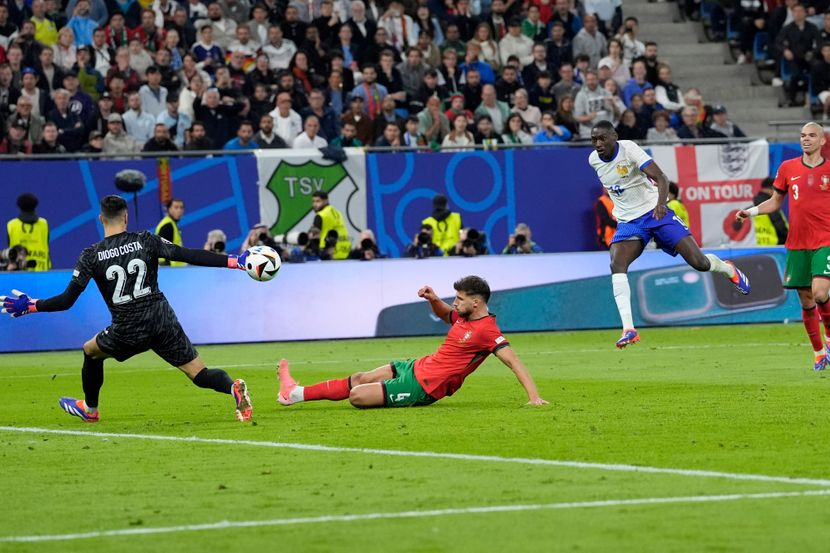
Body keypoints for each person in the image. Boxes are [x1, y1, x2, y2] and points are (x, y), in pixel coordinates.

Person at [1, 194, 254, 422]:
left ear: (101, 218)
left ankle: (90, 409)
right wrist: (236, 261)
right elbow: (189, 255)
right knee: (199, 374)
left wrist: (32, 305)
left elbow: (66, 300)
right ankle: (233, 387)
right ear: (126, 217)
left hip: (128, 326)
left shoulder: (91, 255)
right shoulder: (146, 240)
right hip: (162, 318)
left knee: (90, 351)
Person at [589, 120, 750, 348]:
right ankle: (629, 329)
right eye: (594, 139)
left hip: (656, 213)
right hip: (629, 222)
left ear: (614, 136)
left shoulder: (629, 149)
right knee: (617, 264)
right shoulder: (593, 160)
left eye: (602, 138)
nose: (598, 144)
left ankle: (727, 268)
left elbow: (661, 177)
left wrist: (661, 204)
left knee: (700, 263)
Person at [276, 276, 548, 408]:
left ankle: (297, 394)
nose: (455, 302)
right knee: (361, 377)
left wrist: (534, 397)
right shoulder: (464, 317)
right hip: (417, 367)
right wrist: (433, 299)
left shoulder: (487, 331)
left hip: (423, 387)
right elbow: (445, 315)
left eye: (460, 299)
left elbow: (514, 362)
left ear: (476, 302)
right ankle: (294, 393)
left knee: (357, 396)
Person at [737, 122, 830, 370]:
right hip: (798, 241)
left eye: (811, 135)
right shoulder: (788, 167)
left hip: (825, 239)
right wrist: (750, 212)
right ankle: (819, 352)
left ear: (822, 140)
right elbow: (775, 201)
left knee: (820, 292)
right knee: (806, 300)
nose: (806, 139)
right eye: (802, 135)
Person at [6, 193, 50, 271]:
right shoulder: (44, 224)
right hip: (42, 272)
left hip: (19, 273)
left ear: (19, 206)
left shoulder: (11, 225)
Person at [311, 191, 350, 259]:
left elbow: (314, 237)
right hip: (344, 251)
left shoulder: (321, 215)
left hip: (328, 254)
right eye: (313, 201)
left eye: (318, 201)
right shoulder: (337, 212)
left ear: (326, 201)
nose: (314, 204)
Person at [750, 178, 789, 246]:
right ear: (771, 188)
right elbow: (779, 225)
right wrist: (788, 236)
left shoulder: (755, 203)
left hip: (761, 244)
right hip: (776, 244)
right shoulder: (770, 205)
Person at [155, 198, 185, 266]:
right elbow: (161, 248)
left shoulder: (172, 223)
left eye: (181, 208)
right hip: (171, 269)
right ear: (169, 209)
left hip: (176, 268)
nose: (179, 210)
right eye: (176, 207)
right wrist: (165, 266)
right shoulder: (167, 225)